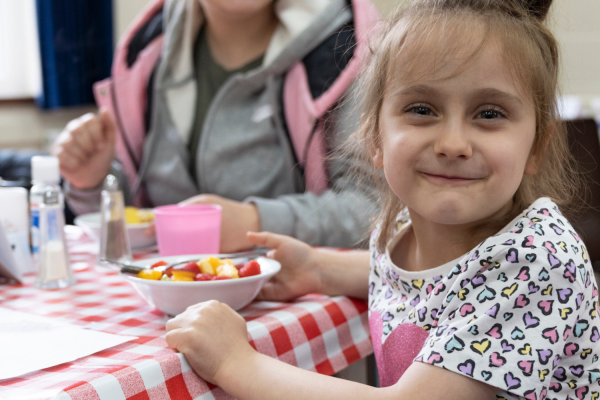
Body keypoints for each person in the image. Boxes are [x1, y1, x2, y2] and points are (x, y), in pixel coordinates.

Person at [164, 0, 600, 398]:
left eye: (489, 114)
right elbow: (429, 286)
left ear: (537, 146)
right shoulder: (402, 233)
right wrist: (318, 267)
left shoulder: (537, 260)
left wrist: (234, 362)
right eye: (422, 109)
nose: (453, 142)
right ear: (374, 137)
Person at [51, 0, 380, 252]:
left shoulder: (350, 54)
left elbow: (376, 211)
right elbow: (140, 213)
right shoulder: (146, 54)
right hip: (163, 305)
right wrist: (95, 181)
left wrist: (255, 223)